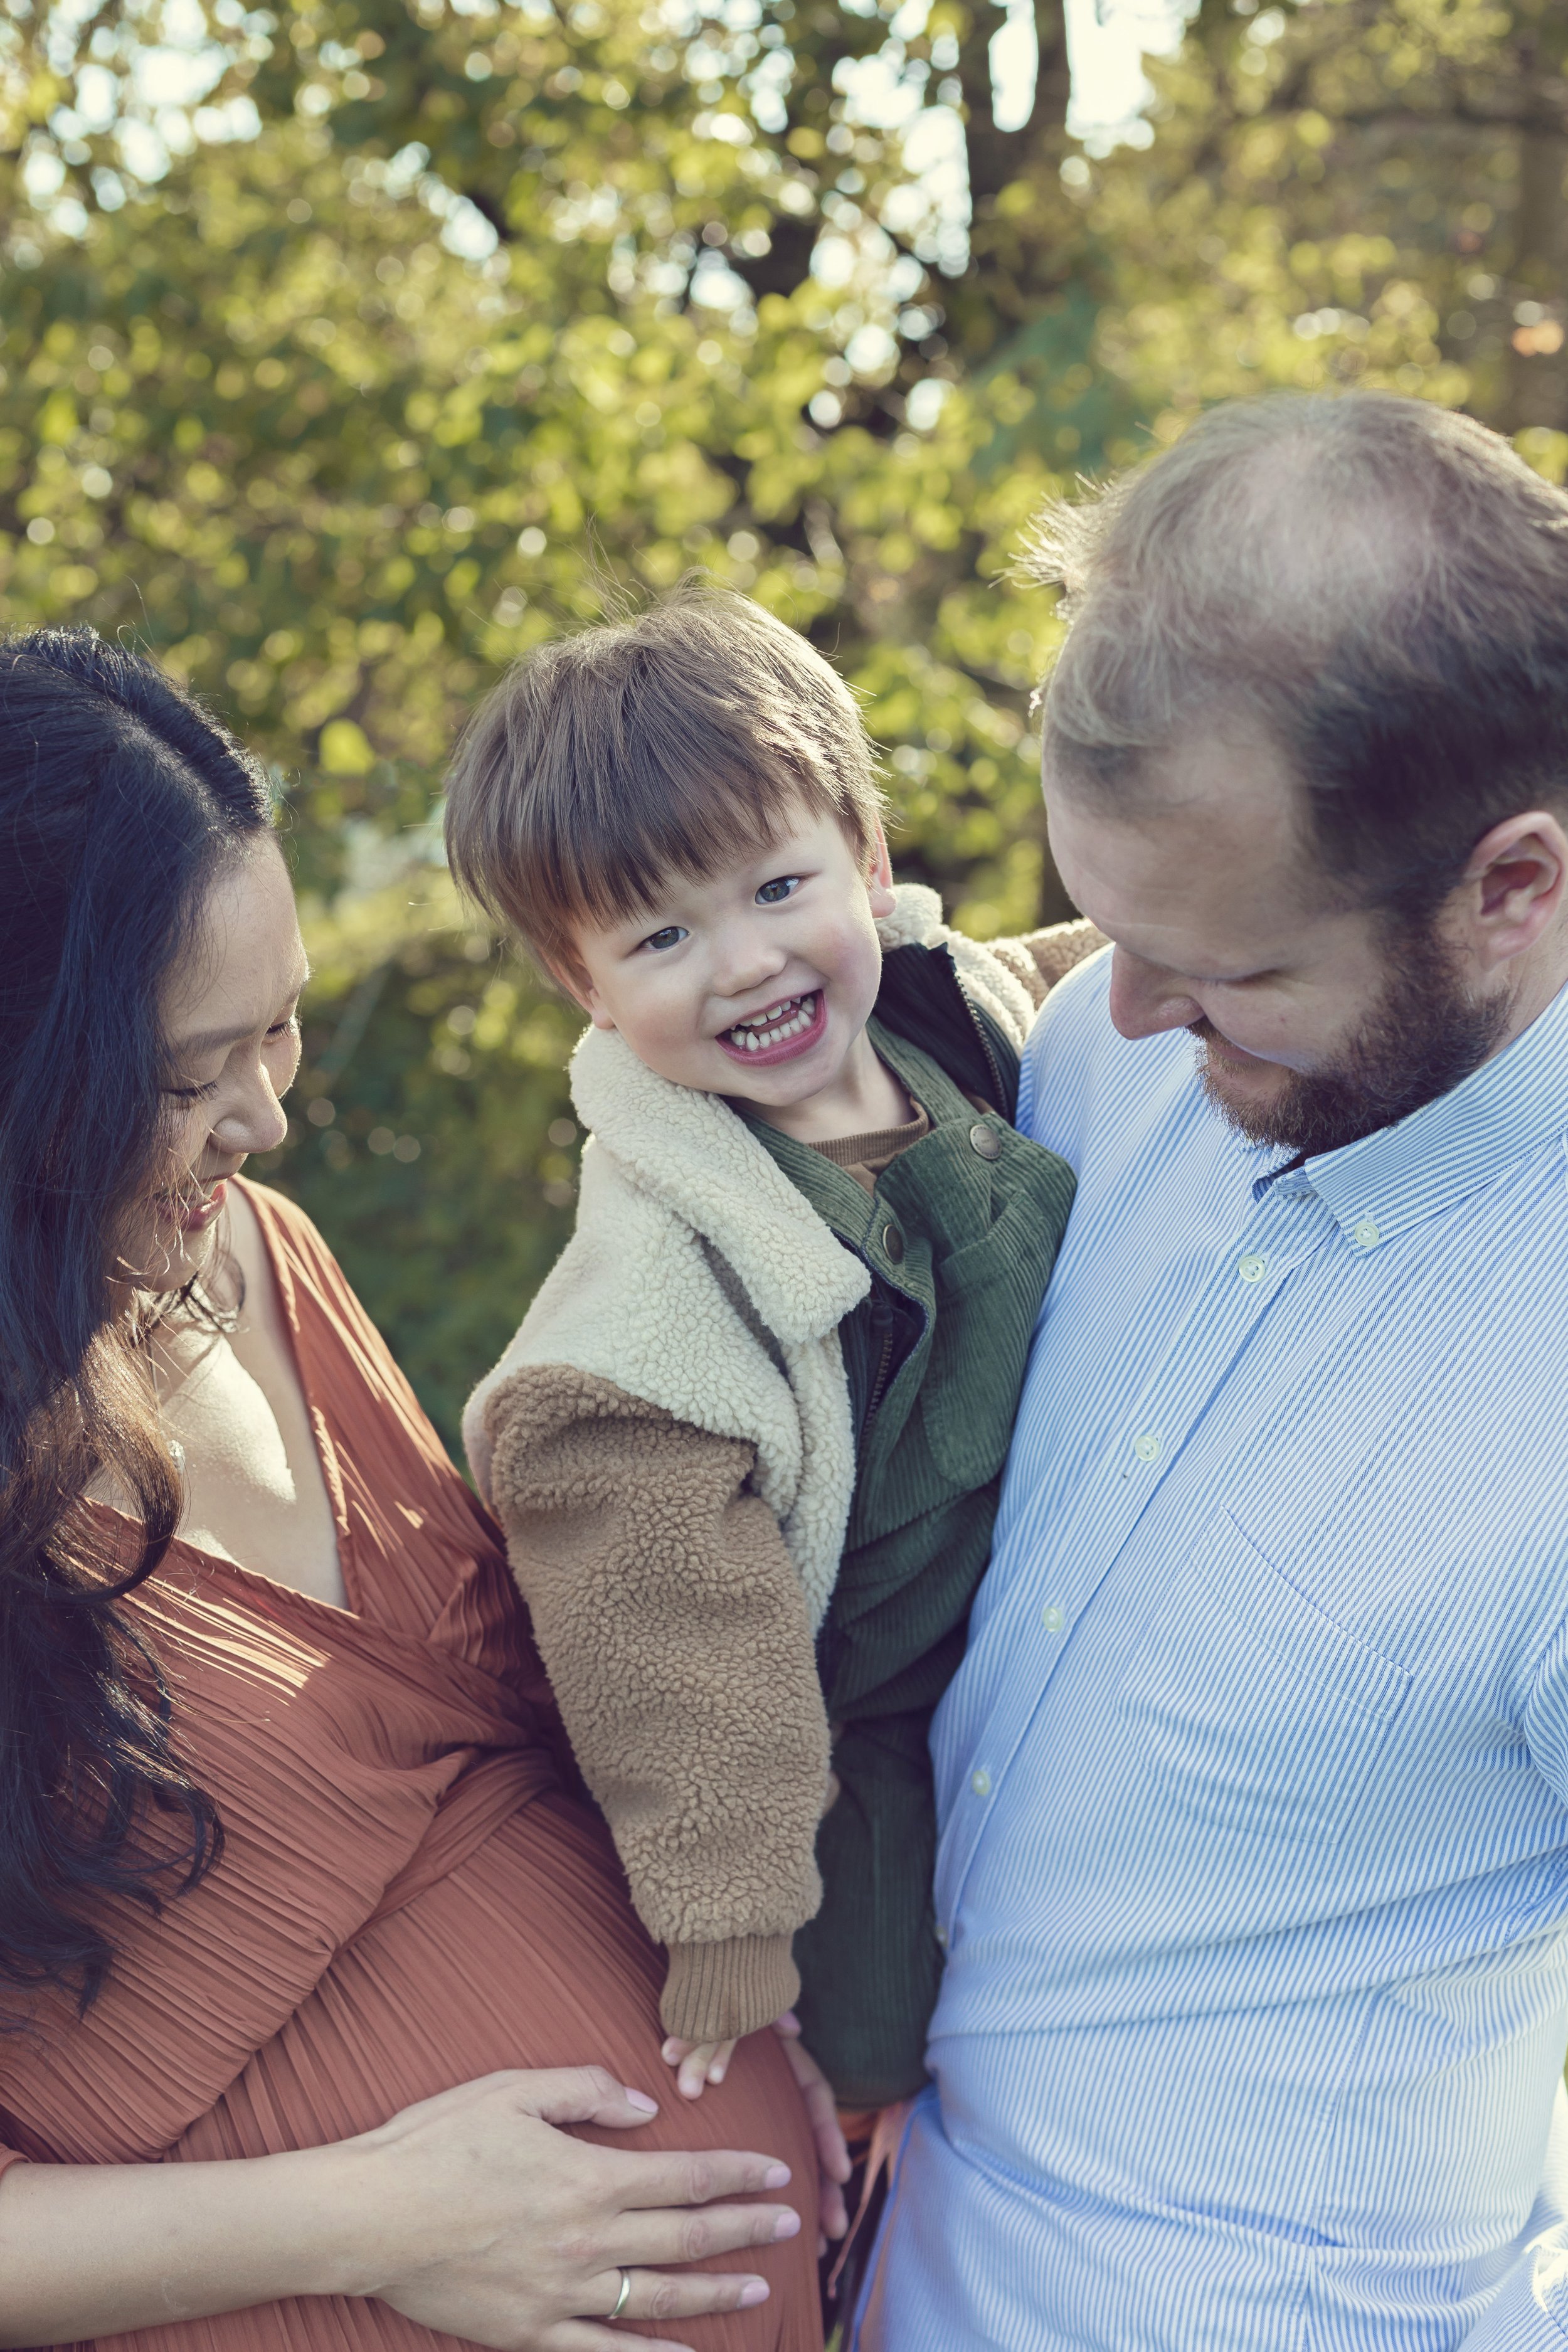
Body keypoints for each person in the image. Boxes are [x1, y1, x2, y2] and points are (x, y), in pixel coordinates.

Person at [0, 625, 842, 2352]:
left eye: (279, 1031)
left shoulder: (257, 1254)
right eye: (178, 1078)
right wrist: (379, 2218)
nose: (261, 1121)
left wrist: (764, 1998)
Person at [853, 388, 1568, 2351]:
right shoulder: (1117, 1034)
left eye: (1232, 967)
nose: (1135, 1008)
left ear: (1510, 886)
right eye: (1108, 925)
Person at [442, 588, 1098, 2117]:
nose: (739, 963)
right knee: (869, 2034)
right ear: (582, 983)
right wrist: (728, 1910)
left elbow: (1117, 970)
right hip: (855, 1685)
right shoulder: (649, 1307)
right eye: (661, 935)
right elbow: (669, 1625)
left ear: (867, 865)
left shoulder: (970, 1016)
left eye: (774, 886)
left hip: (1061, 1558)